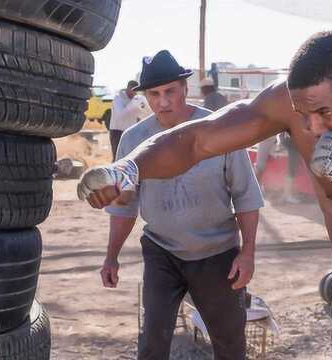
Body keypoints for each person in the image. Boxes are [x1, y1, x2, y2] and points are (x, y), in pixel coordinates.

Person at [79, 31, 332, 360]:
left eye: (325, 112)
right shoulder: (297, 105)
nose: (311, 127)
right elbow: (197, 141)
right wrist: (128, 168)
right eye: (302, 114)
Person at [96, 50, 263, 360]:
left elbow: (245, 195)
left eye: (170, 91)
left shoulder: (218, 130)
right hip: (162, 251)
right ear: (145, 96)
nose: (163, 101)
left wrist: (248, 252)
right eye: (154, 94)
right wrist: (111, 257)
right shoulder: (134, 140)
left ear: (186, 88)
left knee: (229, 343)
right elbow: (124, 205)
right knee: (153, 343)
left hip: (217, 255)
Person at [109, 80, 149, 159]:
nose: (135, 93)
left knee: (130, 158)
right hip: (117, 132)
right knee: (117, 158)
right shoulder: (118, 98)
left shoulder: (136, 99)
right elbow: (120, 116)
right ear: (128, 88)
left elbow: (143, 114)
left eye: (136, 91)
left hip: (131, 131)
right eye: (133, 91)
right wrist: (132, 104)